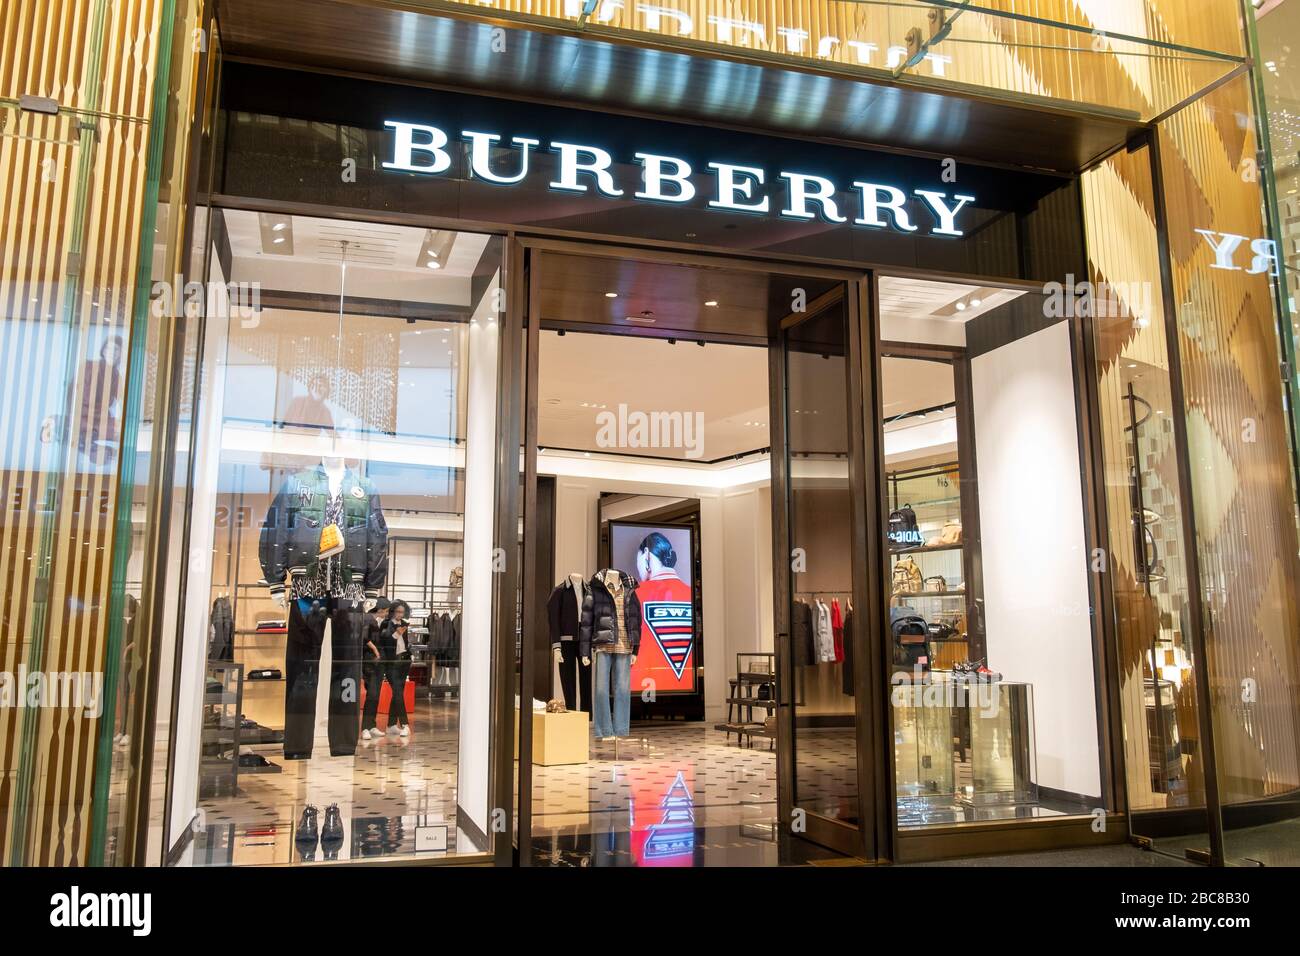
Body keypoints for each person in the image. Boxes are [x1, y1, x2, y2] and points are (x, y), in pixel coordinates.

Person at [633, 532, 694, 687]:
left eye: (637, 559)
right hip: (686, 684)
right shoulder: (691, 593)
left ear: (646, 554)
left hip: (645, 684)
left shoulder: (635, 594)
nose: (637, 566)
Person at [380, 600, 413, 738]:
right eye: (398, 611)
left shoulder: (404, 624)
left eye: (402, 612)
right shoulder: (386, 624)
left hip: (404, 661)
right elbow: (384, 641)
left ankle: (391, 725)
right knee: (398, 692)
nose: (400, 614)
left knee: (398, 693)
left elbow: (403, 643)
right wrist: (396, 634)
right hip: (391, 663)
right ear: (393, 611)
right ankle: (405, 724)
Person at [360, 597, 391, 741]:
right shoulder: (368, 619)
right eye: (386, 611)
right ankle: (366, 727)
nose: (387, 613)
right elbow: (365, 638)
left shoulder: (374, 620)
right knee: (372, 694)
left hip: (376, 662)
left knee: (375, 695)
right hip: (370, 662)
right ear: (380, 609)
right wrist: (376, 652)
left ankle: (371, 725)